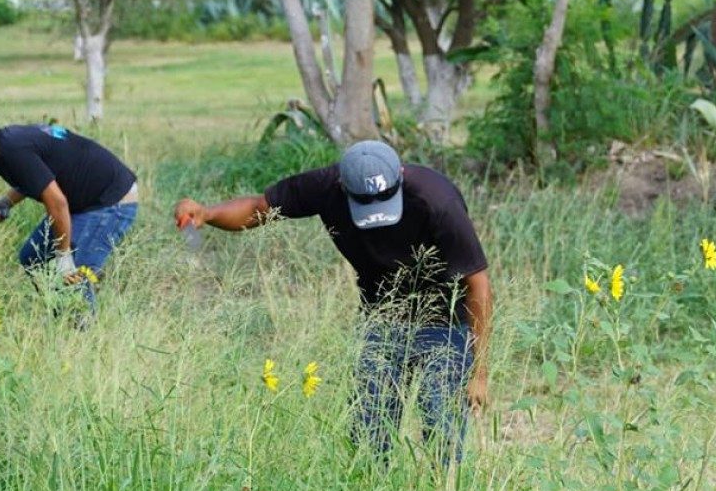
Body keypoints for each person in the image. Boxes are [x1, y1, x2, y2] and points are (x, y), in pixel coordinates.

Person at [174, 140, 492, 465]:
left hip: (444, 325)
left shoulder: (437, 200)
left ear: (399, 175)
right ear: (342, 185)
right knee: (369, 435)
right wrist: (208, 213)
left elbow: (478, 285)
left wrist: (479, 372)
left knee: (444, 436)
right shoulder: (323, 187)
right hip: (379, 320)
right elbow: (259, 208)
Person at [0, 106, 138, 315]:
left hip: (110, 201)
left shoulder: (13, 149)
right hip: (83, 203)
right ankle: (61, 319)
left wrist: (64, 257)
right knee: (32, 257)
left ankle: (81, 333)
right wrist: (6, 201)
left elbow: (57, 203)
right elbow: (37, 175)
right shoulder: (7, 147)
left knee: (73, 275)